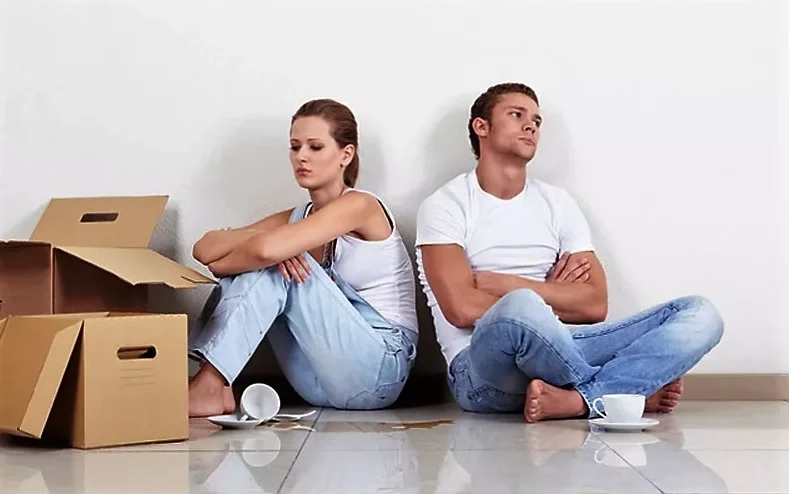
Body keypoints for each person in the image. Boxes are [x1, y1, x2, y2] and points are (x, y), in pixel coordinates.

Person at [415, 83, 724, 423]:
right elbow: (461, 309)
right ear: (481, 127)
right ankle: (622, 390)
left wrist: (506, 283)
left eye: (537, 120)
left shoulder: (558, 203)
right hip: (479, 369)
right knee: (521, 306)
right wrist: (549, 296)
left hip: (558, 347)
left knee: (700, 314)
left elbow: (594, 305)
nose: (531, 126)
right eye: (516, 115)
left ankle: (581, 400)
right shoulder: (446, 205)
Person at [188, 98, 418, 417]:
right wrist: (253, 246)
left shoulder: (361, 206)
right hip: (315, 381)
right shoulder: (298, 216)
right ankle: (214, 382)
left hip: (380, 370)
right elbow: (204, 249)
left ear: (346, 155)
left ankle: (209, 385)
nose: (302, 157)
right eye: (295, 147)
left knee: (274, 263)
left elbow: (262, 252)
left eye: (315, 147)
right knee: (273, 258)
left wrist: (239, 259)